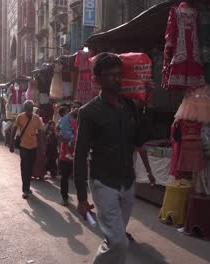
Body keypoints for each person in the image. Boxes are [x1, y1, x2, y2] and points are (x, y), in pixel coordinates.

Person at [74, 53, 154, 264]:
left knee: (114, 240)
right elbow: (80, 155)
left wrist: (148, 105)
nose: (115, 79)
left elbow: (139, 140)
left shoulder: (129, 106)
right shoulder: (88, 112)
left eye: (118, 74)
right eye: (109, 75)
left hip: (127, 181)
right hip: (103, 182)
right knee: (119, 242)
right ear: (97, 79)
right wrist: (82, 198)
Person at [9, 100, 44, 199]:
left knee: (30, 168)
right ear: (25, 109)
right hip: (24, 147)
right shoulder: (20, 117)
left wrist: (41, 145)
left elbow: (40, 132)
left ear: (32, 109)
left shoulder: (36, 118)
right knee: (24, 168)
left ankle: (28, 187)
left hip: (34, 146)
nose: (29, 112)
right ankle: (25, 190)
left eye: (30, 109)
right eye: (27, 109)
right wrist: (11, 144)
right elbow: (14, 129)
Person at [59, 107, 78, 206]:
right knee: (65, 178)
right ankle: (65, 198)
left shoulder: (78, 125)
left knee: (78, 179)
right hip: (65, 156)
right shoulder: (64, 123)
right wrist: (69, 141)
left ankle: (81, 201)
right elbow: (59, 135)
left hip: (76, 155)